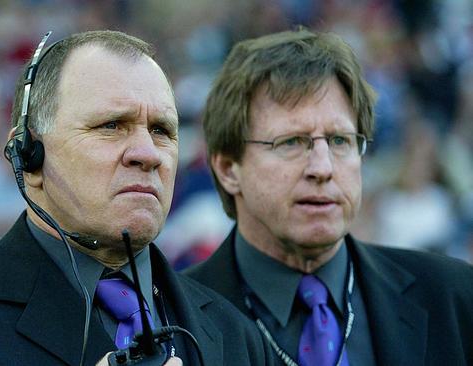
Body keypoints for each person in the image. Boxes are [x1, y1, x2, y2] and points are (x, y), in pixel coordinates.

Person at [0, 30, 273, 365]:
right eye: (111, 125)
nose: (147, 153)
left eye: (161, 130)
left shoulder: (237, 334)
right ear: (27, 156)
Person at [186, 28, 473, 366]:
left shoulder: (453, 296)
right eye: (291, 141)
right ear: (228, 168)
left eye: (339, 141)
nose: (322, 168)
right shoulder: (173, 319)